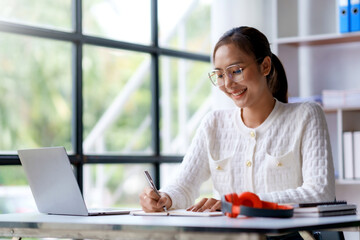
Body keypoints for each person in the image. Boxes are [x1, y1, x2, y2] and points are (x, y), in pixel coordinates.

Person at [139, 26, 335, 213]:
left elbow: (319, 193)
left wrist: (239, 203)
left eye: (236, 70)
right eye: (220, 74)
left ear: (265, 66)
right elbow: (184, 185)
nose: (228, 83)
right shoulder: (214, 123)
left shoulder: (306, 115)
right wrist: (164, 198)